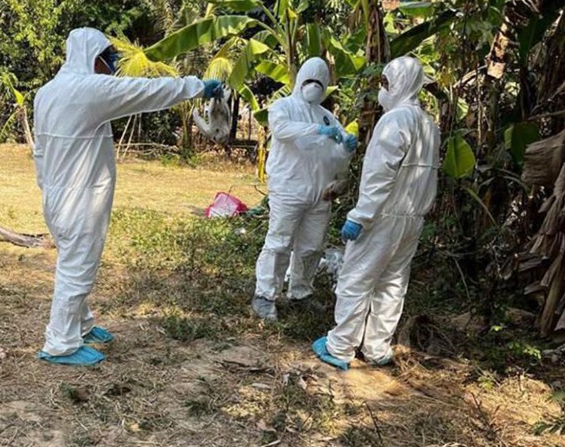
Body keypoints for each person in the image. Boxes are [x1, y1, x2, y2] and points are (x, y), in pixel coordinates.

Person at [33, 27, 223, 366]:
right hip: (80, 198)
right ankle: (60, 343)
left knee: (73, 262)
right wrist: (196, 86)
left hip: (56, 194)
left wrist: (45, 184)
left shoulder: (47, 92)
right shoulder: (88, 89)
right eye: (110, 59)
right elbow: (146, 92)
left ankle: (81, 324)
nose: (114, 65)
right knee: (78, 267)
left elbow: (41, 150)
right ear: (94, 58)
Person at [313, 56, 440, 370]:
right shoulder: (428, 123)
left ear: (398, 84)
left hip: (383, 216)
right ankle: (377, 347)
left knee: (357, 278)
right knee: (393, 283)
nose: (382, 90)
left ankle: (340, 346)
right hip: (413, 217)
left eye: (385, 83)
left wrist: (361, 215)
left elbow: (380, 174)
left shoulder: (395, 120)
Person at [251, 57, 357, 321]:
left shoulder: (328, 116)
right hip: (289, 189)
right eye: (309, 81)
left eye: (320, 83)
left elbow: (336, 157)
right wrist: (318, 130)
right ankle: (265, 295)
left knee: (311, 247)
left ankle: (301, 292)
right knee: (279, 243)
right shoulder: (283, 107)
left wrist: (346, 148)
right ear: (299, 81)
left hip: (320, 193)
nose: (314, 87)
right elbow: (282, 130)